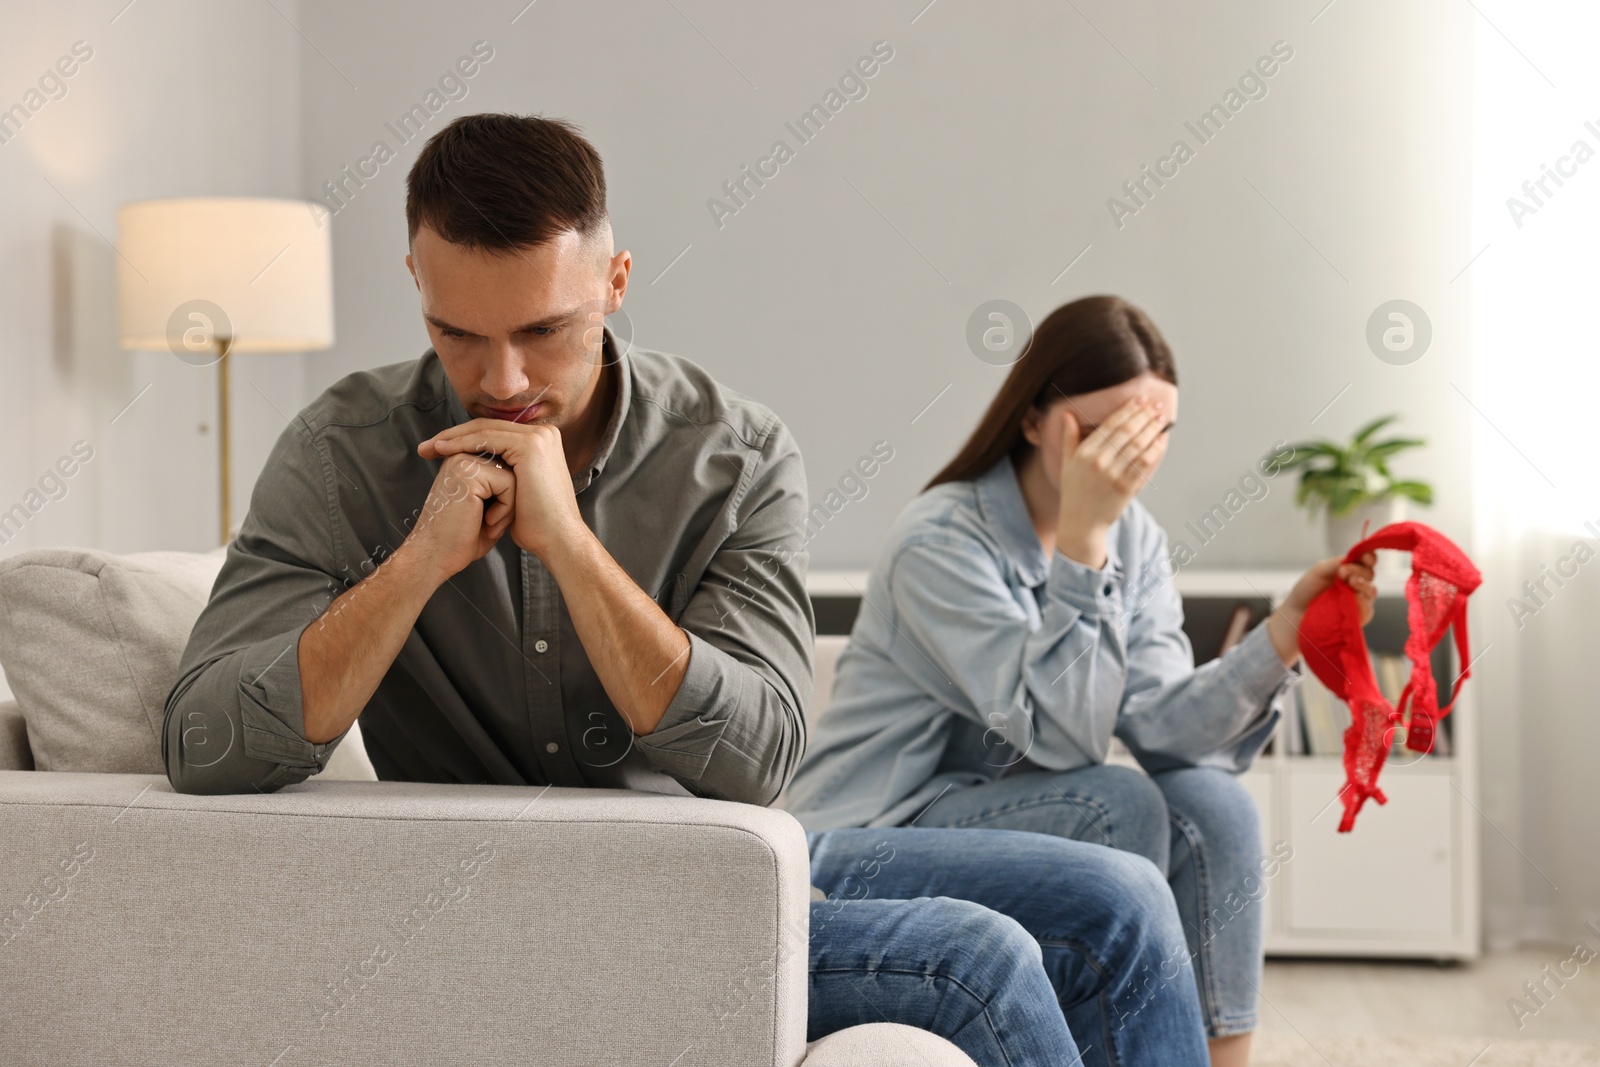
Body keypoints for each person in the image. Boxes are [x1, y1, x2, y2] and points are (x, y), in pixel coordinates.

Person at [162, 116, 1210, 1067]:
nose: (502, 377)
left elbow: (756, 759)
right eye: (458, 332)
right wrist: (417, 563)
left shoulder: (735, 452)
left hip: (722, 857)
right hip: (504, 895)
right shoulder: (342, 453)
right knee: (972, 953)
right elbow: (203, 743)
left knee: (1118, 897)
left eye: (546, 330)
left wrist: (569, 547)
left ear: (616, 280)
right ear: (415, 281)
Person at [783, 294, 1380, 1067]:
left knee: (1213, 802)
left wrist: (1284, 633)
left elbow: (1167, 729)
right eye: (1107, 435)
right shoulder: (941, 539)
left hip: (1004, 816)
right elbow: (1064, 736)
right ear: (1034, 420)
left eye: (1155, 434)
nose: (1133, 461)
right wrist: (1085, 541)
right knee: (1116, 798)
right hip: (873, 833)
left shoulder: (1138, 535)